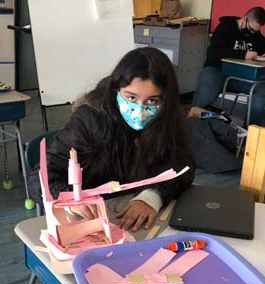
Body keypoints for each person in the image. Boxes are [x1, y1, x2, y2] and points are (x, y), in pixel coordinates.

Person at [28, 47, 195, 232]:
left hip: (135, 219)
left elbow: (184, 166)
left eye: (152, 101)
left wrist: (152, 196)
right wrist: (70, 201)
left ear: (166, 100)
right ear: (117, 90)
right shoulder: (90, 119)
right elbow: (40, 178)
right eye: (131, 97)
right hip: (88, 222)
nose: (139, 111)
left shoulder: (167, 120)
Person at [192, 6, 265, 125]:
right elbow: (215, 52)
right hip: (218, 70)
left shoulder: (256, 35)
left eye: (256, 31)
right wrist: (243, 54)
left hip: (242, 76)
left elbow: (262, 47)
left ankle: (251, 131)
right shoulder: (225, 27)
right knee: (208, 83)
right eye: (251, 29)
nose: (253, 33)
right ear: (245, 19)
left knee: (261, 89)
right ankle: (194, 123)